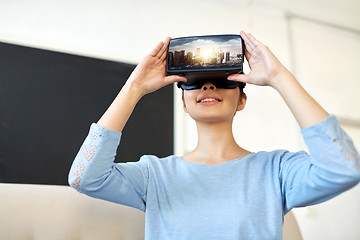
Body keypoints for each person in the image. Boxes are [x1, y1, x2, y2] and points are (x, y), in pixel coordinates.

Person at [68, 31, 360, 239]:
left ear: (242, 100)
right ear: (183, 102)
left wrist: (279, 77)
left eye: (221, 80)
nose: (208, 87)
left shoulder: (276, 171)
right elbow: (84, 177)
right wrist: (133, 88)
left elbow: (345, 168)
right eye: (195, 83)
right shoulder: (155, 176)